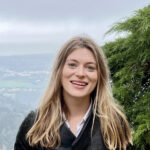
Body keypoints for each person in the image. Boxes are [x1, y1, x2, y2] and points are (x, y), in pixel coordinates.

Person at [14, 36, 132, 150]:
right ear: (59, 71)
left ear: (99, 75)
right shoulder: (35, 125)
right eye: (72, 65)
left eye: (90, 67)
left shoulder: (114, 124)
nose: (80, 73)